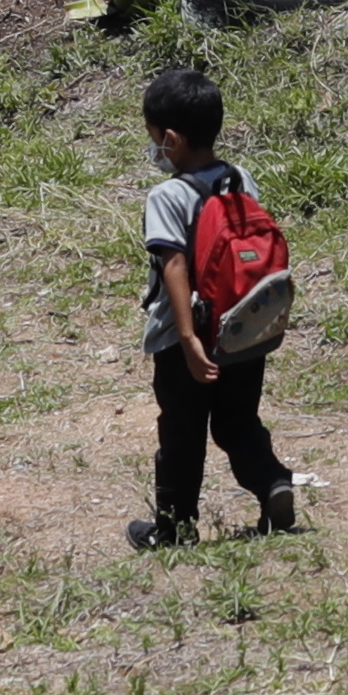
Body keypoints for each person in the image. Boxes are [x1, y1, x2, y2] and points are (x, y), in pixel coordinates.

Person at [134, 63, 298, 551]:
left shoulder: (168, 195)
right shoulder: (239, 176)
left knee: (181, 434)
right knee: (238, 422)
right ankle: (273, 485)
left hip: (188, 339)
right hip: (243, 329)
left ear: (171, 138)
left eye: (154, 138)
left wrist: (186, 338)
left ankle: (174, 529)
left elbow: (174, 267)